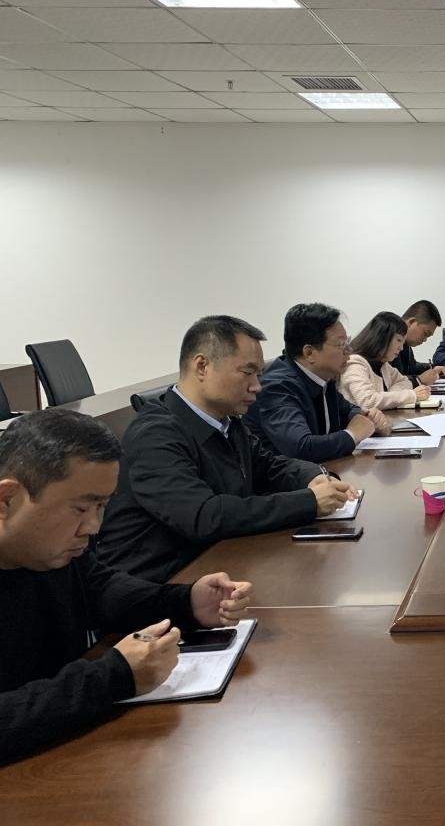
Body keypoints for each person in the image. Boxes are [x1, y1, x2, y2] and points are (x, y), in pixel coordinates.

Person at [0, 409, 253, 764]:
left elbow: (103, 588)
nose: (94, 527)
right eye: (81, 508)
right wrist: (114, 676)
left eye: (102, 506)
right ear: (7, 500)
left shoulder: (51, 552)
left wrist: (186, 602)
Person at [95, 316, 356, 582]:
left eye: (259, 374)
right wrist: (308, 502)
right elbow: (204, 516)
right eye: (247, 372)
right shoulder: (154, 435)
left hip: (218, 565)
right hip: (161, 586)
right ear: (202, 366)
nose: (257, 386)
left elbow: (268, 465)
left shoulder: (226, 420)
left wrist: (312, 476)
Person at [243, 303, 391, 462]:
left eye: (347, 341)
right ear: (309, 352)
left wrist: (368, 418)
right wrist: (352, 434)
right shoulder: (277, 388)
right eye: (341, 344)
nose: (349, 350)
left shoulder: (323, 377)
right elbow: (301, 448)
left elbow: (348, 410)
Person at [341, 311, 431, 410]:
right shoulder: (354, 364)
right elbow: (368, 402)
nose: (401, 348)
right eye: (399, 340)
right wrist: (411, 395)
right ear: (382, 337)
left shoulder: (383, 366)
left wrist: (391, 395)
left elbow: (405, 381)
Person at [391, 299, 445, 387]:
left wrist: (433, 368)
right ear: (411, 322)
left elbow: (412, 367)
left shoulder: (406, 344)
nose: (425, 340)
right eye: (425, 333)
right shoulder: (387, 341)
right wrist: (418, 380)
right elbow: (387, 382)